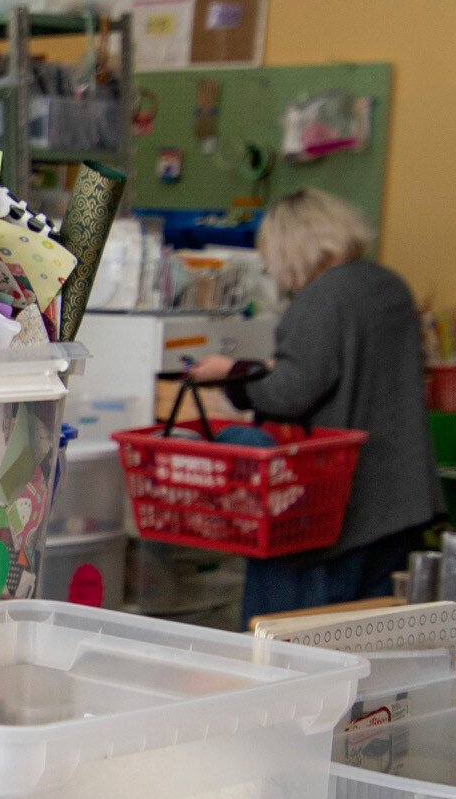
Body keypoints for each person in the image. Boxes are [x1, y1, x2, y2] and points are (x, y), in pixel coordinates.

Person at [188, 189, 440, 626]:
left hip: (336, 508)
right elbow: (353, 369)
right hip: (401, 500)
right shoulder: (389, 286)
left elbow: (291, 393)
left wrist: (233, 375)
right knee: (371, 643)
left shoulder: (322, 297)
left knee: (296, 650)